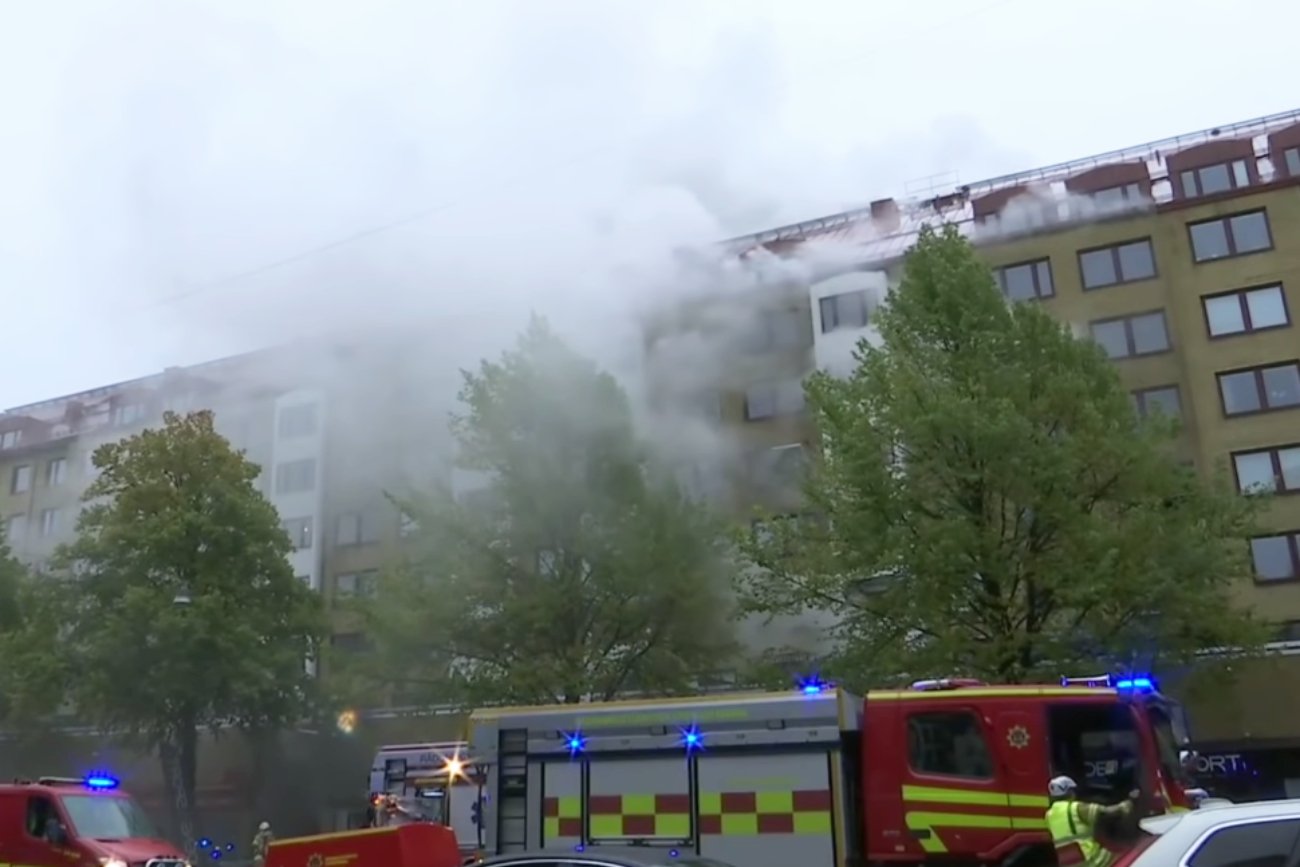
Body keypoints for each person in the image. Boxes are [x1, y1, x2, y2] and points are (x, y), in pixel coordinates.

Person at [1045, 776, 1138, 867]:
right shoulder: (1076, 808)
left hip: (1068, 863)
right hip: (1092, 861)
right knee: (1128, 854)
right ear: (1070, 792)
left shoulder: (1049, 815)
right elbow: (1108, 813)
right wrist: (1129, 803)